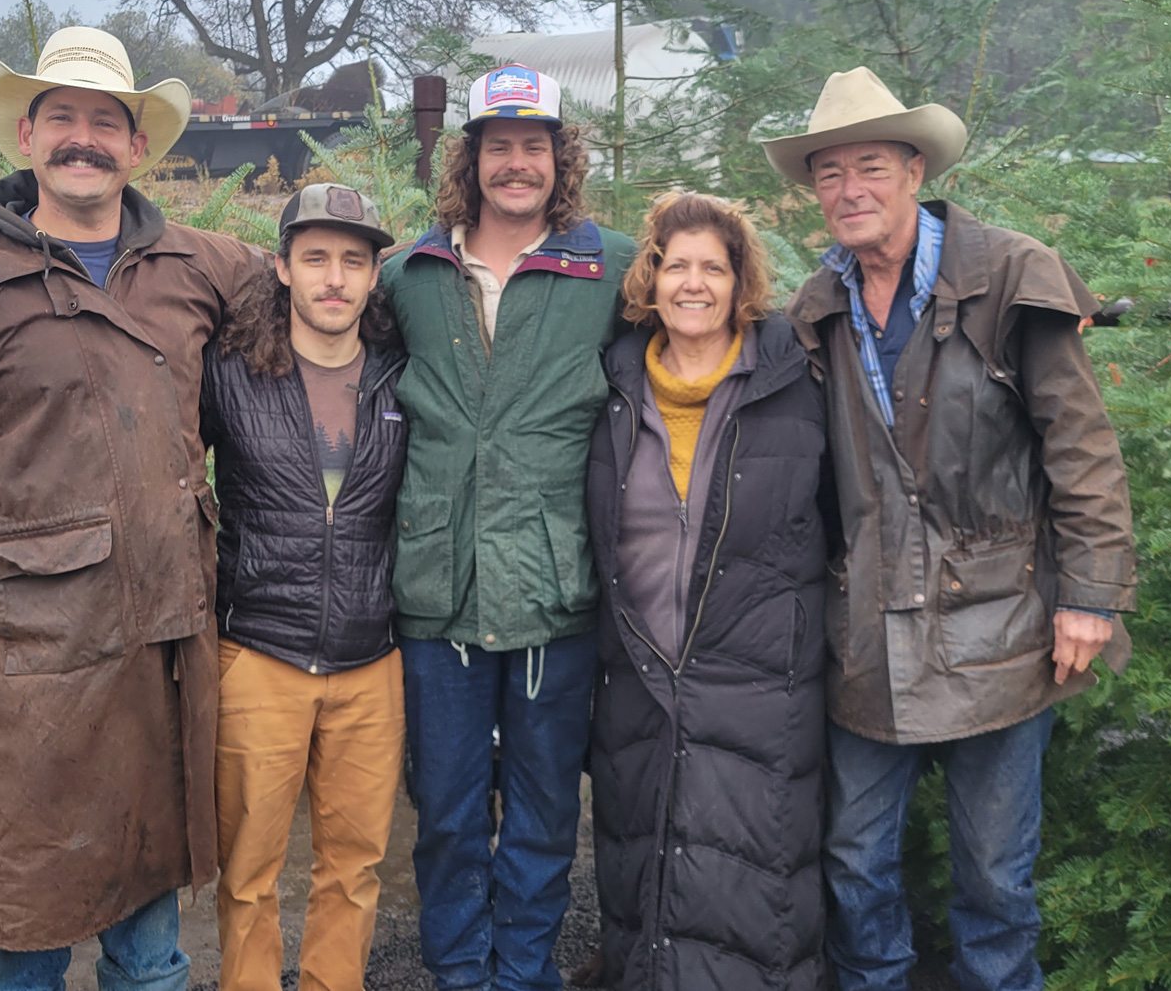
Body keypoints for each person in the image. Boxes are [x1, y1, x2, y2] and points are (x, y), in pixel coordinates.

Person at [0, 26, 266, 991]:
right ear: (27, 137)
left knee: (151, 940)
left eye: (106, 123)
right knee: (24, 914)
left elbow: (332, 295)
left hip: (167, 634)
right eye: (63, 119)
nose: (85, 139)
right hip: (28, 651)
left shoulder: (201, 269)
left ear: (136, 147)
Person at [761, 68, 1138, 991]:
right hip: (868, 630)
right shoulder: (816, 311)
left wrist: (1089, 597)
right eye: (830, 174)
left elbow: (1081, 448)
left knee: (996, 879)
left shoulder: (1011, 274)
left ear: (916, 168)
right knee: (853, 864)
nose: (850, 190)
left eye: (872, 168)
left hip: (1004, 621)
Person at [379, 63, 636, 991]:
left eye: (535, 146)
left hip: (555, 593)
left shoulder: (612, 265)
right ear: (472, 157)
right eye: (500, 147)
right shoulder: (408, 275)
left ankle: (521, 974)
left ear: (560, 156)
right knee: (445, 813)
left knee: (539, 815)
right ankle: (457, 973)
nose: (517, 164)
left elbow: (719, 309)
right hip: (437, 595)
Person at [585, 192, 830, 990]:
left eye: (712, 269)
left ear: (740, 282)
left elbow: (840, 524)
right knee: (643, 875)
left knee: (750, 886)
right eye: (675, 265)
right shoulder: (612, 388)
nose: (694, 284)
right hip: (640, 673)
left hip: (759, 681)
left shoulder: (794, 385)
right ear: (650, 280)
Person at [202, 183, 408, 991]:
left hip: (371, 660)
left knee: (353, 869)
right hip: (259, 653)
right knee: (248, 875)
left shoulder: (403, 377)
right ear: (283, 267)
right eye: (315, 257)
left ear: (372, 275)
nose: (334, 278)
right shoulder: (230, 374)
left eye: (352, 261)